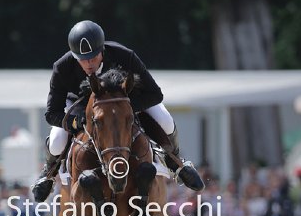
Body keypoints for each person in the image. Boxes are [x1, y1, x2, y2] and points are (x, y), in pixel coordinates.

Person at [32, 20, 204, 202]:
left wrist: (125, 109)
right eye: (83, 59)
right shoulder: (62, 67)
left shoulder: (124, 56)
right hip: (79, 107)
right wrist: (74, 121)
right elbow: (52, 113)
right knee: (57, 142)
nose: (89, 63)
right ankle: (49, 172)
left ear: (102, 50)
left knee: (165, 120)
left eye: (93, 57)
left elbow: (155, 94)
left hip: (128, 102)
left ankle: (175, 162)